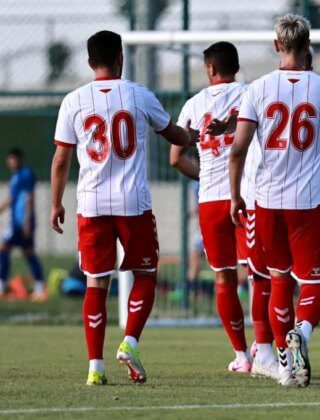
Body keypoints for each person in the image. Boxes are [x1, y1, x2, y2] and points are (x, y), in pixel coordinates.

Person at [50, 30, 191, 386]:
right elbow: (173, 134)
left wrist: (55, 203)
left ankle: (95, 368)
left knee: (96, 284)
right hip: (133, 203)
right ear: (120, 58)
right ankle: (129, 342)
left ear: (89, 61)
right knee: (145, 274)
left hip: (92, 204)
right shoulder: (138, 94)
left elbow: (61, 159)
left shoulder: (74, 100)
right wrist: (190, 135)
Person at [229, 14, 320, 387]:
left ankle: (285, 368)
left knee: (277, 279)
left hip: (266, 200)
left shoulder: (257, 88)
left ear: (276, 46)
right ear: (308, 45)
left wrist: (235, 196)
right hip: (308, 201)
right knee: (314, 284)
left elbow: (238, 149)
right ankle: (302, 333)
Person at [171, 41, 278, 377]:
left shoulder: (193, 104)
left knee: (223, 278)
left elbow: (176, 158)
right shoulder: (253, 92)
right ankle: (264, 348)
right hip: (246, 196)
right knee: (260, 275)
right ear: (235, 65)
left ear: (210, 68)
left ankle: (241, 355)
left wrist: (204, 174)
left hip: (210, 200)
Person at [0, 148, 46, 301]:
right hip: (18, 222)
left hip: (20, 223)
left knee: (4, 249)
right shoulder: (16, 176)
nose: (13, 162)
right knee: (28, 252)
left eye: (16, 159)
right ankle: (39, 287)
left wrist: (27, 221)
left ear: (21, 159)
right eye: (11, 159)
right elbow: (12, 199)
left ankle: (2, 286)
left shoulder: (25, 174)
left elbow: (29, 198)